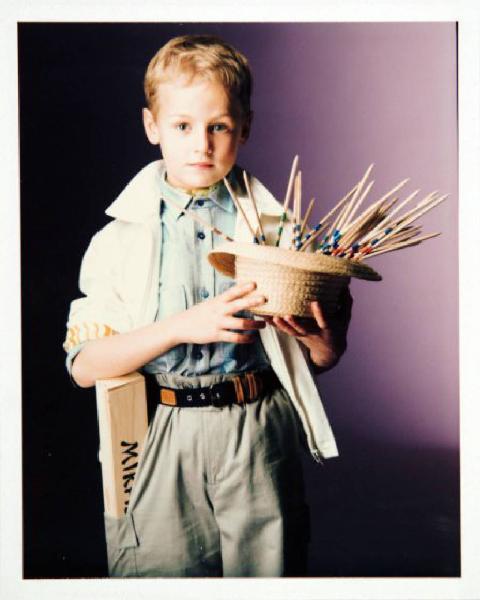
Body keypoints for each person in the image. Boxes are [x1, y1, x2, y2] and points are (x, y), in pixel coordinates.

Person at [63, 34, 352, 577]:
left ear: (244, 127)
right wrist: (180, 328)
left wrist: (324, 342)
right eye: (182, 126)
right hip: (161, 428)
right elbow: (84, 366)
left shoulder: (280, 232)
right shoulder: (118, 241)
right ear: (152, 127)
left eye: (219, 126)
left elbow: (317, 357)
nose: (202, 144)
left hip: (260, 428)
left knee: (271, 575)